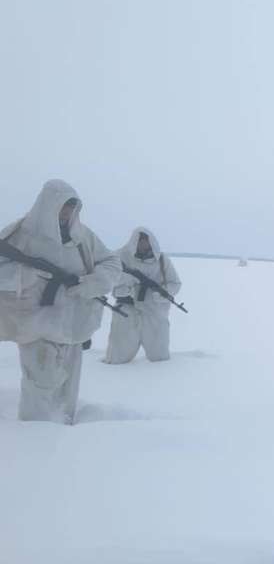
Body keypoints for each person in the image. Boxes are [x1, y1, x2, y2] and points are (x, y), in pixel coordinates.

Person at [0, 180, 121, 424]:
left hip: (73, 324)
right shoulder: (22, 234)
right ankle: (37, 434)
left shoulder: (83, 236)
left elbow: (111, 262)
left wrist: (90, 283)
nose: (67, 212)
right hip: (36, 325)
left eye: (72, 207)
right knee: (40, 384)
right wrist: (32, 276)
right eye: (64, 206)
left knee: (67, 386)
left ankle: (62, 428)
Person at [104, 228, 181, 364]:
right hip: (126, 310)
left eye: (146, 241)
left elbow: (175, 283)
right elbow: (109, 278)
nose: (143, 244)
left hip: (154, 311)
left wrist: (160, 294)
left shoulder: (162, 260)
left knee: (160, 358)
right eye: (140, 241)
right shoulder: (121, 256)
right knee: (117, 357)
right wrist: (129, 284)